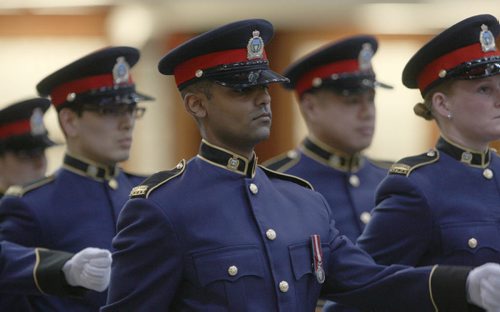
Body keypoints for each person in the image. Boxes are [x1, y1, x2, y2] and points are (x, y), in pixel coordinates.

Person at [102, 19, 500, 312]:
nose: (263, 100)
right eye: (243, 89)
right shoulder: (163, 207)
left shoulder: (302, 201)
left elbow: (369, 280)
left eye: (265, 87)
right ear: (196, 104)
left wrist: (463, 283)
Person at [355, 12, 500, 308]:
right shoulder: (417, 186)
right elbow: (362, 285)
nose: (499, 98)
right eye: (485, 89)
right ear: (443, 104)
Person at [0, 46, 153, 311]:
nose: (127, 122)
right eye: (111, 111)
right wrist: (62, 270)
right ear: (70, 121)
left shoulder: (150, 191)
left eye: (131, 109)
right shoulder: (32, 204)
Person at [264, 35, 392, 243]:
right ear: (310, 107)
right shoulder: (275, 183)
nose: (367, 112)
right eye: (352, 101)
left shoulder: (393, 177)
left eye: (371, 99)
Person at [0, 98, 112, 297]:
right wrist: (64, 268)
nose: (39, 164)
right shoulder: (20, 205)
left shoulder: (46, 201)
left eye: (41, 152)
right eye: (26, 155)